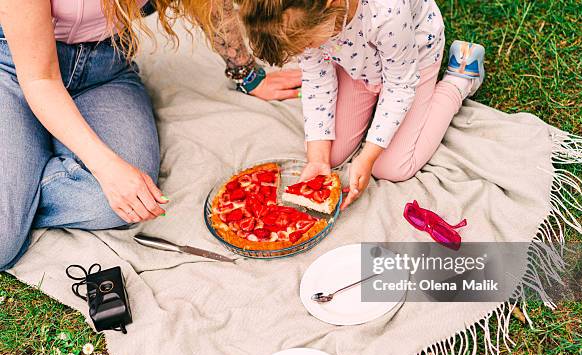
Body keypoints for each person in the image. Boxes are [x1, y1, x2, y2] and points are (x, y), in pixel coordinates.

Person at [0, 0, 300, 270]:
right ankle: (24, 169)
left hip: (104, 68)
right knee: (3, 242)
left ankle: (25, 172)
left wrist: (247, 74)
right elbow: (40, 78)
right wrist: (106, 168)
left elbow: (210, 5)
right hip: (14, 68)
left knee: (119, 203)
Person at [239, 0, 485, 210]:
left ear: (331, 4)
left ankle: (459, 80)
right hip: (358, 65)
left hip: (413, 63)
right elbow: (317, 78)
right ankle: (374, 105)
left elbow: (400, 86)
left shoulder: (388, 11)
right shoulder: (299, 14)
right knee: (330, 155)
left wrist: (368, 155)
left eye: (308, 44)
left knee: (392, 167)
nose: (306, 50)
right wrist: (318, 159)